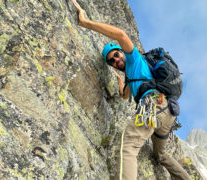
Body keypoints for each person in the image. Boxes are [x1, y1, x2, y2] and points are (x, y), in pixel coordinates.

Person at [71, 1, 191, 180]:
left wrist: (85, 22)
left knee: (127, 146)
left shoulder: (134, 59)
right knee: (162, 155)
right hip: (167, 112)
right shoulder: (131, 76)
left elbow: (120, 34)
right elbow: (125, 94)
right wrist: (121, 81)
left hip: (154, 106)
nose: (116, 60)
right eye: (111, 61)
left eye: (117, 55)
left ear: (122, 52)